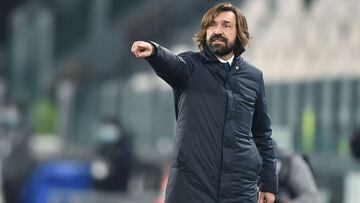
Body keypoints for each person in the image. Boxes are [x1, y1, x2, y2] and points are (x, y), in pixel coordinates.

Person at [131, 3, 277, 203]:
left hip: (239, 191)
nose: (217, 31)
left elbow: (262, 134)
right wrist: (155, 52)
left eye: (226, 25)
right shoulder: (190, 67)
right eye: (212, 25)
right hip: (191, 189)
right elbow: (171, 64)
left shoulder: (254, 77)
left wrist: (269, 183)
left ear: (239, 32)